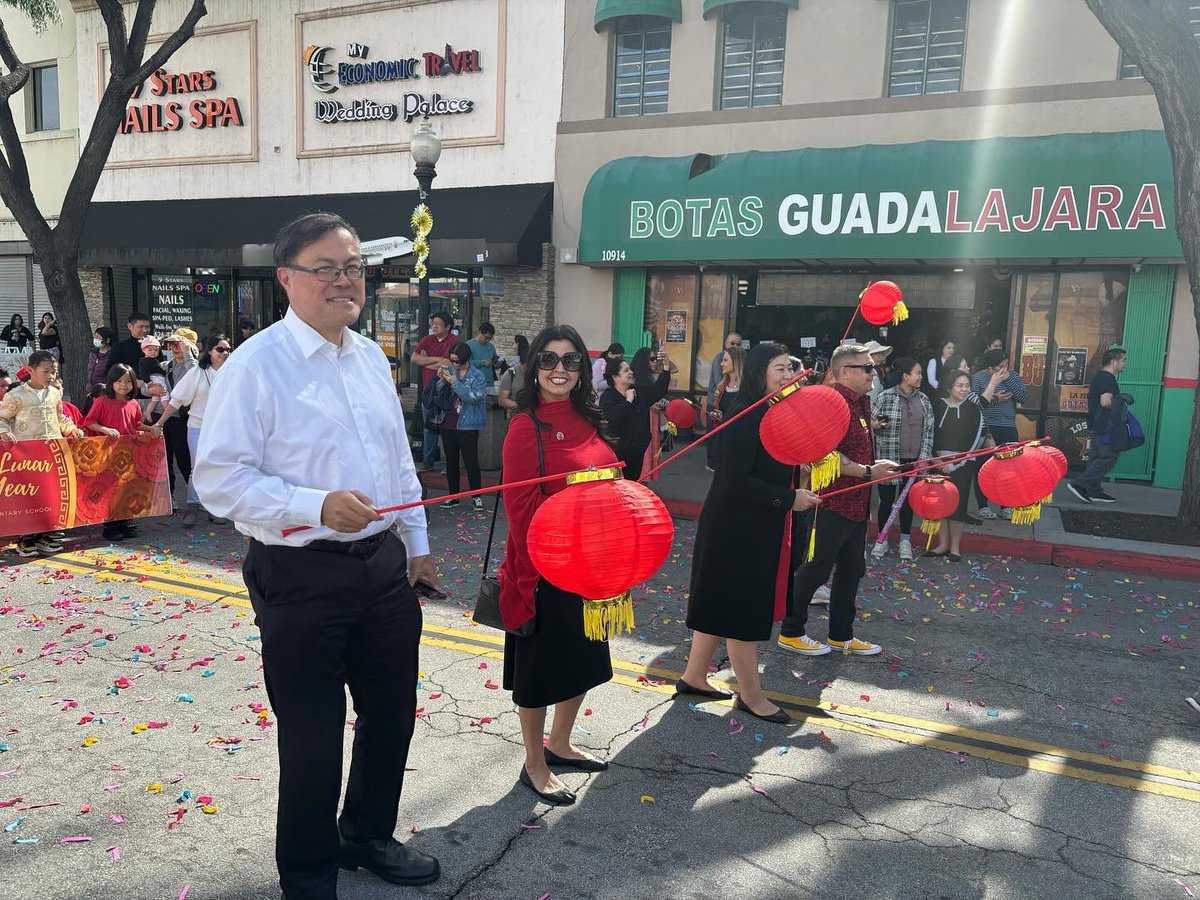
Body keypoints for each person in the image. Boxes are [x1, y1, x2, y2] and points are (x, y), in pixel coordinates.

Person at [193, 212, 441, 899]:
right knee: (312, 734)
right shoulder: (255, 366)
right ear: (286, 279)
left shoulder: (366, 355)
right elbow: (219, 479)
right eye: (326, 268)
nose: (344, 281)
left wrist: (416, 546)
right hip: (299, 573)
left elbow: (397, 460)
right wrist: (313, 505)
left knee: (391, 713)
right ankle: (307, 873)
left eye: (354, 267)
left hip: (382, 568)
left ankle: (367, 834)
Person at [499, 324, 617, 807]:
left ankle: (561, 742)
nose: (560, 370)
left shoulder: (590, 416)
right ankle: (534, 762)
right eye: (549, 360)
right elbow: (520, 511)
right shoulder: (526, 427)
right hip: (546, 571)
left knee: (583, 662)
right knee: (540, 672)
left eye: (571, 361)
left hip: (594, 567)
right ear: (534, 367)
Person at [682, 343, 821, 723]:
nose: (788, 375)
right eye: (780, 369)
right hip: (736, 524)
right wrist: (788, 498)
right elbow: (734, 480)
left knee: (719, 601)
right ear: (760, 372)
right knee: (743, 608)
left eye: (791, 369)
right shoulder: (745, 415)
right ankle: (752, 696)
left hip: (752, 521)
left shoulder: (774, 411)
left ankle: (694, 676)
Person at [779, 344, 899, 657]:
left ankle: (841, 634)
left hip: (858, 503)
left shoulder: (863, 403)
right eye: (868, 368)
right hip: (831, 502)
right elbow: (823, 453)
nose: (875, 373)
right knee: (816, 570)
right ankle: (791, 630)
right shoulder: (830, 403)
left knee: (851, 569)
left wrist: (872, 470)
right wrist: (869, 471)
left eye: (874, 367)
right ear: (844, 372)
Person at [0, 351, 82, 556]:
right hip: (26, 455)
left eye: (53, 372)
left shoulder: (55, 393)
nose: (51, 376)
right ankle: (25, 537)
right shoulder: (15, 395)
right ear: (30, 370)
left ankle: (45, 533)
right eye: (46, 371)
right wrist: (4, 432)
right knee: (28, 494)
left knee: (48, 493)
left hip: (52, 451)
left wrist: (72, 429)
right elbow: (3, 418)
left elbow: (60, 418)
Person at [155, 334, 230, 526]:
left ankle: (215, 508)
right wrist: (160, 422)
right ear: (210, 351)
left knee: (219, 467)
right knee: (197, 467)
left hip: (223, 429)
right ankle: (192, 507)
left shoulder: (233, 372)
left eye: (228, 349)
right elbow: (177, 400)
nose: (225, 353)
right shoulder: (197, 372)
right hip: (197, 427)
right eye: (220, 349)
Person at [928, 370, 1003, 561]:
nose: (964, 389)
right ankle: (942, 544)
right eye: (960, 386)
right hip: (937, 462)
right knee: (941, 506)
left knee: (958, 506)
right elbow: (927, 434)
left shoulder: (973, 409)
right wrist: (934, 460)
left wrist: (955, 464)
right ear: (949, 387)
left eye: (967, 386)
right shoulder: (936, 405)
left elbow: (976, 439)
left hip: (962, 464)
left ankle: (954, 548)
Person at [82, 363, 161, 542]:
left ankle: (125, 521)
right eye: (119, 381)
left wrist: (151, 428)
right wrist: (105, 429)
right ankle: (110, 526)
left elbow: (136, 425)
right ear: (111, 382)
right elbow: (89, 422)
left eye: (127, 381)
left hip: (129, 453)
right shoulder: (102, 401)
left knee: (127, 487)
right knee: (110, 488)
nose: (123, 385)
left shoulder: (133, 403)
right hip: (108, 453)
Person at [871, 357, 934, 562]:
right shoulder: (885, 397)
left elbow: (928, 431)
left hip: (914, 459)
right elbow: (872, 423)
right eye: (918, 372)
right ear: (905, 376)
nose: (921, 377)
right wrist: (877, 425)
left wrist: (924, 458)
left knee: (908, 502)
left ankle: (905, 540)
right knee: (887, 500)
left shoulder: (924, 399)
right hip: (889, 458)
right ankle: (882, 538)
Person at [970, 348, 1028, 519]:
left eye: (1005, 365)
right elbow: (975, 404)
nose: (1003, 369)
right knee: (983, 467)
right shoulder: (978, 378)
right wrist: (995, 397)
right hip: (986, 427)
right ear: (989, 369)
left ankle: (1006, 505)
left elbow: (1023, 398)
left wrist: (1008, 379)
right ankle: (982, 505)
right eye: (998, 367)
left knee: (1009, 468)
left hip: (1008, 426)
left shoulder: (1013, 375)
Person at [1069, 347, 1129, 504]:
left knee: (1095, 458)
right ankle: (1079, 483)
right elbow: (1105, 401)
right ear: (1113, 361)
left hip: (1096, 424)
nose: (1125, 364)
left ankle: (1094, 491)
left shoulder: (1100, 377)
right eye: (1123, 360)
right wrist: (1121, 401)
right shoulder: (1108, 379)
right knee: (1109, 456)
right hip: (1104, 425)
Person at [599, 351, 671, 482]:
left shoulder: (638, 391)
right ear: (615, 377)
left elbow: (657, 390)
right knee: (618, 485)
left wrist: (666, 367)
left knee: (633, 482)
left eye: (630, 369)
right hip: (618, 454)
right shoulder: (608, 397)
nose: (631, 372)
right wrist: (628, 402)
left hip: (637, 451)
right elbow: (613, 420)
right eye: (626, 371)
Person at [433, 342, 487, 511]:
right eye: (452, 360)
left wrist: (455, 382)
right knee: (451, 461)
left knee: (471, 461)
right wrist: (441, 380)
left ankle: (477, 496)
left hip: (468, 423)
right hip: (448, 421)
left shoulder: (477, 375)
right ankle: (453, 496)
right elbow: (437, 392)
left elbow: (473, 397)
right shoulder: (450, 370)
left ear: (466, 359)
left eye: (457, 361)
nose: (454, 363)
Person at [411, 311, 456, 471]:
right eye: (433, 323)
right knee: (428, 427)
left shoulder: (453, 341)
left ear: (448, 326)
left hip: (446, 392)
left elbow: (448, 364)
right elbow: (414, 358)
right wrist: (436, 361)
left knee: (447, 427)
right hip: (428, 392)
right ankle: (427, 460)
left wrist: (426, 361)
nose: (434, 326)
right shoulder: (427, 339)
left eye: (438, 323)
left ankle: (448, 463)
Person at [160, 330, 198, 502]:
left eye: (179, 344)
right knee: (166, 460)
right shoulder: (167, 365)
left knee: (186, 462)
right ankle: (170, 497)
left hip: (187, 419)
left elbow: (193, 375)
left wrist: (187, 353)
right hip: (169, 418)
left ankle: (197, 499)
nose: (175, 348)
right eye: (172, 344)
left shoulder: (197, 366)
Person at [704, 332, 742, 469]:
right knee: (714, 437)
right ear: (726, 343)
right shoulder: (719, 360)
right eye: (732, 343)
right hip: (716, 406)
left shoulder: (745, 386)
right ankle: (713, 462)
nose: (735, 346)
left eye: (738, 344)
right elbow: (718, 381)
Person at [137, 335, 170, 422]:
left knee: (155, 399)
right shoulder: (144, 361)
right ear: (143, 350)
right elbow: (143, 372)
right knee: (164, 393)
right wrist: (148, 382)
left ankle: (148, 412)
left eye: (156, 350)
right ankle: (169, 412)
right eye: (150, 350)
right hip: (156, 379)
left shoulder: (154, 360)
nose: (153, 352)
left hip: (157, 378)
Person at [497, 334, 528, 418]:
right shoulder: (511, 373)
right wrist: (520, 407)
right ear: (522, 362)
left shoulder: (538, 374)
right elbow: (502, 400)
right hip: (514, 416)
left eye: (514, 343)